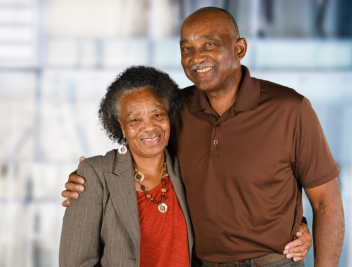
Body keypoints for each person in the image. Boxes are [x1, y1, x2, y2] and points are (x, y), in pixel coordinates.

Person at [62, 7, 345, 267]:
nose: (197, 58)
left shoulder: (290, 109)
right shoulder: (176, 110)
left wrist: (303, 232)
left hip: (273, 262)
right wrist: (88, 179)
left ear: (240, 48)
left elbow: (326, 203)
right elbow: (141, 148)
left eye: (210, 44)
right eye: (187, 48)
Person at [60, 66, 193, 267]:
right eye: (135, 119)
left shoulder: (186, 166)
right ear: (121, 126)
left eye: (157, 115)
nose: (149, 127)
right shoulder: (95, 174)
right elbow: (75, 262)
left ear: (169, 115)